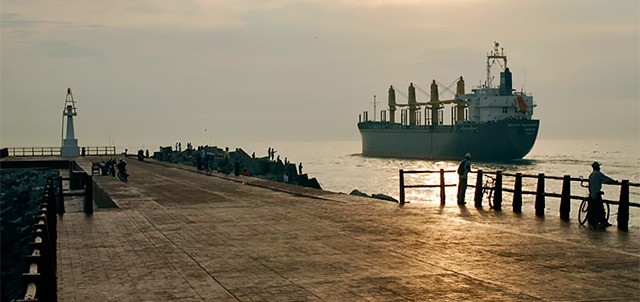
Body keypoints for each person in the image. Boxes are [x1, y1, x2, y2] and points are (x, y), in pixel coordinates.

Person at [588, 161, 618, 229]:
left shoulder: (591, 175)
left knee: (594, 208)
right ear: (597, 167)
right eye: (599, 166)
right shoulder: (598, 174)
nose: (599, 167)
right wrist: (614, 181)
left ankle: (596, 221)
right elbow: (607, 179)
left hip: (592, 193)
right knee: (600, 209)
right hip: (596, 193)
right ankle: (603, 222)